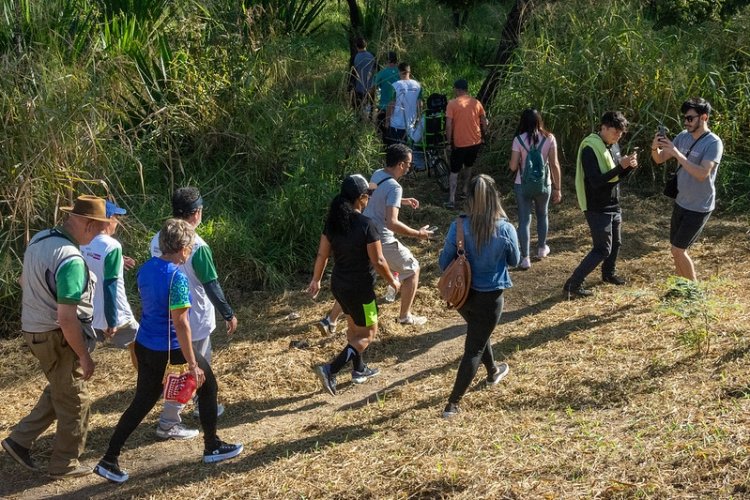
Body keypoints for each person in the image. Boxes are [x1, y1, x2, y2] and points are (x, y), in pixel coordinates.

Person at [94, 219, 243, 484]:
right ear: (183, 247)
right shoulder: (178, 277)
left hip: (145, 345)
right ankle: (212, 447)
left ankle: (109, 459)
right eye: (189, 246)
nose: (190, 251)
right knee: (207, 386)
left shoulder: (146, 268)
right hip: (170, 348)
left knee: (141, 402)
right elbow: (182, 323)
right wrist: (192, 363)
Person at [2, 195, 110, 478]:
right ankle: (65, 464)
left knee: (61, 388)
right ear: (87, 224)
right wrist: (85, 356)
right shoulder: (71, 259)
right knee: (76, 399)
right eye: (99, 227)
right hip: (56, 335)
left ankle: (19, 441)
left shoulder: (40, 239)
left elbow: (23, 280)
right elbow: (66, 317)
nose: (100, 233)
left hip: (34, 330)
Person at [150, 187, 238, 439]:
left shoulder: (158, 239)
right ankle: (168, 421)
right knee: (190, 369)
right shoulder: (198, 246)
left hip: (167, 315)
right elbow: (211, 284)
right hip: (194, 319)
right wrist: (228, 313)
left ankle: (201, 404)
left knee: (193, 366)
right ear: (197, 213)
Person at [308, 175, 400, 395]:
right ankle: (331, 369)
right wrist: (393, 281)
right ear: (360, 198)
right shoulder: (367, 225)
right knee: (368, 333)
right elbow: (378, 261)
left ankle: (359, 369)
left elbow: (322, 254)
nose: (369, 197)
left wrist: (316, 279)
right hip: (362, 291)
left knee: (353, 329)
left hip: (339, 285)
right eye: (368, 194)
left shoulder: (333, 222)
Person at [438, 175, 520, 418]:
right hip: (491, 297)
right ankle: (452, 404)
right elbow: (514, 260)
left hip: (463, 296)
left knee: (478, 333)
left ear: (470, 198)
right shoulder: (505, 228)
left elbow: (444, 263)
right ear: (495, 197)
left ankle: (493, 370)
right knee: (473, 348)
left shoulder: (459, 226)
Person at [563, 111, 638, 298]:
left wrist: (628, 168)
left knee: (616, 243)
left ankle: (608, 274)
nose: (618, 136)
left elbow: (615, 178)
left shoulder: (613, 146)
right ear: (603, 128)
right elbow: (596, 181)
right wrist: (622, 167)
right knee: (602, 248)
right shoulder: (590, 148)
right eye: (615, 132)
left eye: (621, 133)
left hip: (613, 203)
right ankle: (573, 284)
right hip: (596, 205)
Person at [651, 97, 724, 280]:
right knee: (675, 250)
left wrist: (677, 154)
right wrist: (655, 147)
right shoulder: (682, 137)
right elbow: (659, 159)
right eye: (685, 118)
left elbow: (702, 174)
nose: (686, 122)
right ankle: (681, 287)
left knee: (679, 249)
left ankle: (693, 293)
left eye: (690, 118)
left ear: (704, 117)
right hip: (681, 201)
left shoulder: (713, 143)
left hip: (699, 206)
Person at [364, 143, 434, 325]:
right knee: (412, 269)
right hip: (381, 239)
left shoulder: (377, 174)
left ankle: (330, 320)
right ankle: (405, 316)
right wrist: (419, 234)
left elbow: (372, 197)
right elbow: (392, 223)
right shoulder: (395, 187)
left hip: (364, 233)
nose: (409, 167)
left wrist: (402, 201)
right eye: (409, 164)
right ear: (401, 164)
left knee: (360, 280)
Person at [80, 200, 138, 367]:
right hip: (116, 312)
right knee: (139, 345)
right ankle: (146, 384)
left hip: (90, 311)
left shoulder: (83, 241)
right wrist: (111, 321)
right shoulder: (112, 246)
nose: (117, 222)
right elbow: (110, 285)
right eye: (116, 217)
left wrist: (118, 260)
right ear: (107, 219)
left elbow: (91, 262)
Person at [508, 108, 562, 269]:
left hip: (522, 184)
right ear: (540, 120)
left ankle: (525, 258)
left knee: (524, 220)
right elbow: (554, 164)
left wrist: (518, 163)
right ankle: (541, 248)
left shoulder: (518, 140)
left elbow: (512, 167)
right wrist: (558, 188)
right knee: (542, 214)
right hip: (544, 185)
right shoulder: (549, 138)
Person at [445, 79, 488, 210]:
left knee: (454, 170)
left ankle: (452, 198)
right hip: (475, 141)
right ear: (467, 89)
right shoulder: (476, 102)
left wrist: (448, 141)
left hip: (460, 143)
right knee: (469, 166)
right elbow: (484, 121)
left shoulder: (452, 104)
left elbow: (448, 124)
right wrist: (484, 134)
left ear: (457, 89)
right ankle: (464, 190)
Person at [386, 63, 423, 146]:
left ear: (399, 72)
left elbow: (391, 105)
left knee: (395, 150)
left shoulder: (395, 85)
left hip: (396, 125)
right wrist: (418, 119)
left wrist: (387, 121)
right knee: (408, 150)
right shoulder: (418, 85)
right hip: (411, 124)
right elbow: (420, 104)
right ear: (409, 72)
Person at [372, 51, 399, 143]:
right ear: (396, 61)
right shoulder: (401, 73)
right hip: (398, 109)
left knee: (381, 134)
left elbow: (373, 86)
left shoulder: (382, 73)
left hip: (383, 107)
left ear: (387, 60)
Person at [351, 37, 376, 117]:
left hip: (359, 88)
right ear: (366, 45)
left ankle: (360, 123)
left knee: (359, 110)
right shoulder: (372, 56)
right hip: (371, 87)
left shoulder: (355, 57)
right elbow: (376, 70)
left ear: (356, 46)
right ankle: (371, 121)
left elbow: (352, 74)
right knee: (371, 109)